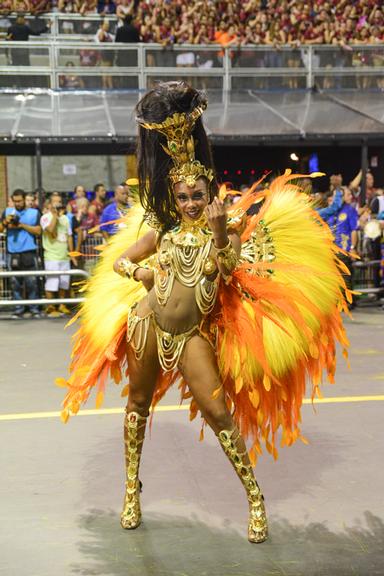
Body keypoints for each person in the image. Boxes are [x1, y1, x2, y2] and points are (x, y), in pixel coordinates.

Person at [59, 81, 350, 544]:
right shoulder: (162, 228)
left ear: (208, 190)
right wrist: (144, 277)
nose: (191, 202)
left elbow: (230, 266)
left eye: (197, 194)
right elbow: (120, 261)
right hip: (147, 324)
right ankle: (131, 490)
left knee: (219, 414)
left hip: (191, 334)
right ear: (174, 197)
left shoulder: (227, 227)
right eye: (183, 196)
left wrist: (217, 231)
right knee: (136, 405)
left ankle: (255, 499)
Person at [0, 189, 41, 318]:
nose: (17, 203)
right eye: (15, 201)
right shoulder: (8, 212)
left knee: (32, 282)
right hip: (13, 252)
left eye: (20, 201)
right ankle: (18, 309)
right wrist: (6, 222)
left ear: (25, 199)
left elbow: (39, 231)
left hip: (29, 251)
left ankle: (34, 309)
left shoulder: (34, 213)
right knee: (15, 283)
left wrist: (21, 225)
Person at [40, 195, 77, 317]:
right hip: (51, 256)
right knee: (52, 281)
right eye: (55, 202)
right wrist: (55, 215)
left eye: (59, 202)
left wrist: (72, 253)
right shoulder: (45, 218)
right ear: (50, 204)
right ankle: (50, 306)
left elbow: (69, 236)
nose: (58, 204)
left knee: (63, 282)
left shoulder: (66, 218)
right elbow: (50, 230)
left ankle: (62, 305)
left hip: (64, 256)